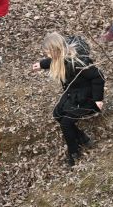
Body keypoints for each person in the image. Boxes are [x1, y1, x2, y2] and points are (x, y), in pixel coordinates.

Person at [32, 33, 105, 167]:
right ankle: (83, 138)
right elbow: (54, 60)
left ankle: (73, 152)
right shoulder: (60, 57)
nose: (47, 55)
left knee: (65, 123)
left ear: (56, 50)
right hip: (73, 93)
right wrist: (41, 64)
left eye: (48, 52)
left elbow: (98, 77)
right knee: (57, 115)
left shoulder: (76, 63)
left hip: (86, 98)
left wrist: (98, 99)